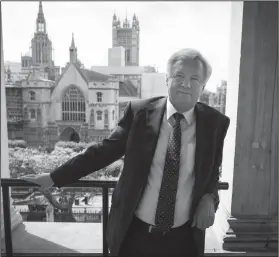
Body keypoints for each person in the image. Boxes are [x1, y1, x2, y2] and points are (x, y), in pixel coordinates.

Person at [22, 48, 230, 257]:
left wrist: (210, 197)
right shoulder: (140, 113)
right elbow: (103, 152)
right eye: (179, 76)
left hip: (183, 240)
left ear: (203, 86)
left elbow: (213, 169)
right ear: (167, 79)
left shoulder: (215, 123)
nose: (186, 84)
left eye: (195, 79)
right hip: (135, 235)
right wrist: (54, 177)